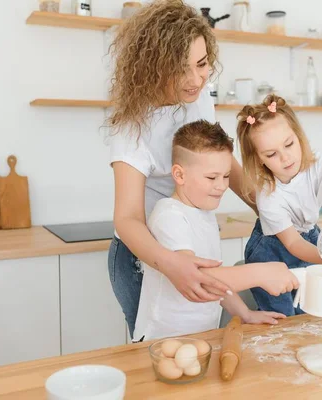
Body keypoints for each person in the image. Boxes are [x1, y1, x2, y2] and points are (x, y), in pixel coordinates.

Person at [106, 0, 256, 337]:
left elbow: (218, 159)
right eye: (179, 69)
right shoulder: (132, 125)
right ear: (154, 68)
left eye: (201, 64)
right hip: (143, 253)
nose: (195, 79)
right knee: (153, 352)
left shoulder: (198, 95)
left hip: (189, 238)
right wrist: (169, 263)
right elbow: (127, 218)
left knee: (196, 343)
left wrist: (266, 205)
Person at [134, 120, 299, 341]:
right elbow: (199, 279)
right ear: (179, 175)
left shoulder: (204, 214)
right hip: (163, 340)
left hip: (200, 337)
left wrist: (245, 314)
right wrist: (262, 273)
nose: (221, 186)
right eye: (212, 177)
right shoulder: (170, 216)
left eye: (226, 176)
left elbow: (218, 284)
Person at [236, 94, 322, 316]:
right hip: (272, 250)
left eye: (289, 144)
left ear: (299, 135)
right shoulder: (268, 195)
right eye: (272, 154)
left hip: (310, 238)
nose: (285, 158)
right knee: (282, 317)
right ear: (258, 159)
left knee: (311, 309)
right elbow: (293, 243)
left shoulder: (320, 165)